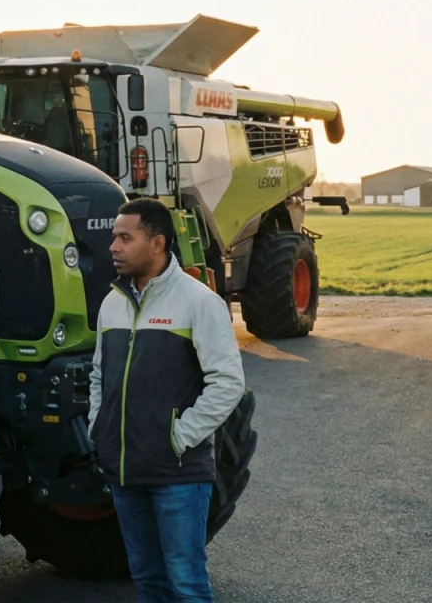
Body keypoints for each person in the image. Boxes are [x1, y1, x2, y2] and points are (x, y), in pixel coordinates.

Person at [89, 197, 245, 603]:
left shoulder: (199, 303)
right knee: (146, 579)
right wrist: (98, 426)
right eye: (113, 237)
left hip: (178, 475)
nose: (114, 247)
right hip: (125, 472)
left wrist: (177, 436)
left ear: (157, 243)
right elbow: (98, 374)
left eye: (125, 237)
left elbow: (227, 382)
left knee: (185, 582)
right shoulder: (112, 302)